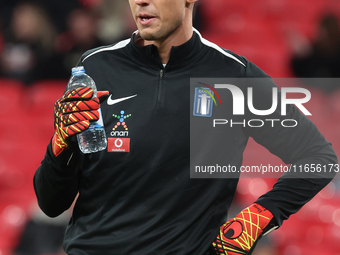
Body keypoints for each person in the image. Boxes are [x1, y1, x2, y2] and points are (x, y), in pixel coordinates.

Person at [33, 0, 338, 254]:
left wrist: (259, 216)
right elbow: (51, 203)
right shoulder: (95, 68)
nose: (140, 1)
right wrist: (61, 144)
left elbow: (319, 158)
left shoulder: (233, 76)